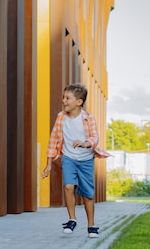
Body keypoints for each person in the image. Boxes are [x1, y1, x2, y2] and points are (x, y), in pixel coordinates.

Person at [42, 83, 109, 238]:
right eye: (63, 97)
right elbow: (53, 140)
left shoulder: (88, 118)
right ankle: (72, 219)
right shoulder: (61, 117)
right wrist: (49, 164)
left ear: (78, 102)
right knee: (68, 186)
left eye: (67, 98)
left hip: (85, 160)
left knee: (88, 194)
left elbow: (95, 137)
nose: (64, 101)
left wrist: (85, 143)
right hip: (69, 158)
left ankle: (91, 225)